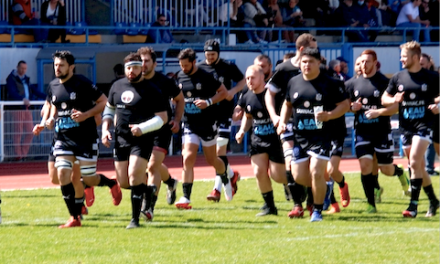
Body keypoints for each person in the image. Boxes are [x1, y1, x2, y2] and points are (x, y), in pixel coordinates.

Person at [44, 50, 122, 228]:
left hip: (85, 138)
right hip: (62, 138)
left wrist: (86, 114)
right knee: (63, 174)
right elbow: (54, 107)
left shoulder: (82, 83)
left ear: (71, 67)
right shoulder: (53, 85)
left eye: (61, 65)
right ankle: (74, 217)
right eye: (56, 65)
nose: (57, 68)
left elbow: (104, 102)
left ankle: (110, 183)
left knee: (89, 178)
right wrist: (50, 119)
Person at [278, 47, 350, 222]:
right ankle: (324, 189)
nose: (307, 65)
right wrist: (282, 121)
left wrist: (330, 115)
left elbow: (345, 105)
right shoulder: (293, 82)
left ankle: (316, 211)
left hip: (323, 136)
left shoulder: (330, 83)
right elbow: (287, 104)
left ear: (319, 62)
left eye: (311, 61)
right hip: (301, 137)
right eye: (304, 62)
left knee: (316, 172)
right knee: (299, 177)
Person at [102, 52, 168, 228]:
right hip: (121, 138)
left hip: (142, 139)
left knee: (134, 175)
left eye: (136, 67)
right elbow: (109, 109)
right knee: (124, 182)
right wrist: (104, 129)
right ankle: (148, 190)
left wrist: (142, 128)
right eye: (129, 68)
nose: (132, 71)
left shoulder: (152, 89)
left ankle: (134, 220)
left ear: (142, 68)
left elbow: (162, 118)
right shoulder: (116, 86)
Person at [346, 49, 411, 213]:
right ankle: (371, 203)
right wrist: (352, 108)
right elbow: (344, 104)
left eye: (367, 61)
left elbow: (396, 107)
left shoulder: (385, 83)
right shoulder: (352, 83)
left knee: (385, 169)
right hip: (362, 132)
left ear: (375, 63)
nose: (363, 65)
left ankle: (400, 173)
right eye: (361, 62)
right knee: (365, 165)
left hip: (381, 132)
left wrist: (378, 112)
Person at [382, 41, 439, 218]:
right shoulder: (398, 77)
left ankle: (413, 206)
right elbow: (385, 98)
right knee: (418, 167)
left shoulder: (431, 77)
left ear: (415, 57)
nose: (401, 59)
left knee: (414, 161)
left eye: (404, 56)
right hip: (406, 127)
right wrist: (394, 101)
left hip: (425, 125)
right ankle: (433, 200)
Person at [174, 48, 229, 209]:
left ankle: (225, 175)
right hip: (189, 123)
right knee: (188, 157)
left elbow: (223, 92)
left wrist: (208, 102)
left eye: (186, 65)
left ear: (193, 62)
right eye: (181, 65)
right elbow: (178, 96)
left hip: (207, 123)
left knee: (211, 160)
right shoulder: (180, 76)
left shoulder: (205, 76)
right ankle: (185, 197)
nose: (183, 68)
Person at [137, 46, 184, 220]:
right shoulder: (134, 81)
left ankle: (148, 207)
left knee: (151, 167)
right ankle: (170, 182)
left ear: (155, 64)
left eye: (147, 61)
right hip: (140, 129)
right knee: (147, 165)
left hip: (161, 129)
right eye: (140, 61)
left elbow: (180, 100)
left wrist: (177, 120)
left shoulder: (164, 81)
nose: (143, 64)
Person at [235, 65, 288, 216]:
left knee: (278, 175)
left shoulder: (272, 95)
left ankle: (298, 185)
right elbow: (248, 115)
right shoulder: (246, 94)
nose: (249, 81)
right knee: (258, 172)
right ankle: (270, 206)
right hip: (258, 139)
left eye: (252, 78)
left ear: (262, 78)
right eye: (247, 78)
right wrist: (241, 131)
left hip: (276, 139)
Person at [197, 39, 245, 202]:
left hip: (224, 113)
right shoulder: (200, 68)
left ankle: (216, 189)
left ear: (218, 53)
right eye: (207, 54)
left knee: (220, 152)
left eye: (213, 54)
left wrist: (232, 91)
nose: (210, 57)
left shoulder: (228, 66)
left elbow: (243, 81)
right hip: (207, 115)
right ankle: (232, 175)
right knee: (213, 155)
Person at [5, 60, 45, 161]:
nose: (23, 71)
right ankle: (18, 155)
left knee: (30, 131)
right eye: (22, 68)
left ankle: (23, 153)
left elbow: (34, 91)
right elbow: (12, 92)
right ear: (17, 67)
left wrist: (47, 97)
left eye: (25, 69)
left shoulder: (26, 79)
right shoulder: (11, 79)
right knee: (17, 132)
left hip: (27, 108)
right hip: (17, 108)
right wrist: (22, 99)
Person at [419, 53, 438, 176]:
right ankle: (427, 168)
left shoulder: (435, 78)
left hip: (434, 113)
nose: (420, 67)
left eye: (422, 64)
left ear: (429, 64)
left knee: (433, 141)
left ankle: (428, 167)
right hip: (418, 115)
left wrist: (433, 101)